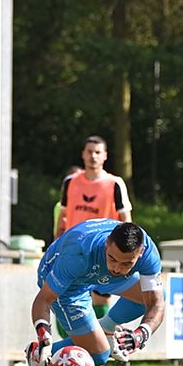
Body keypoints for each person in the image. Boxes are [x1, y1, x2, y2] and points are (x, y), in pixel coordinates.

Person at [24, 220, 164, 366]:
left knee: (153, 295)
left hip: (98, 273)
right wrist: (43, 336)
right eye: (112, 258)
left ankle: (106, 328)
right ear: (107, 243)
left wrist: (141, 335)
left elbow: (156, 303)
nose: (117, 268)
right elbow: (44, 299)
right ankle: (37, 354)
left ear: (141, 253)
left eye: (127, 263)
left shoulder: (148, 251)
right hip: (70, 282)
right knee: (100, 355)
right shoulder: (79, 252)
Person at [54, 136, 132, 334]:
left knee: (100, 299)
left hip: (102, 252)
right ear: (83, 154)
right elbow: (63, 217)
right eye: (89, 151)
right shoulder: (70, 182)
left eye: (97, 152)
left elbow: (126, 221)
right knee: (65, 297)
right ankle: (70, 346)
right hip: (74, 251)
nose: (93, 156)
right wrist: (56, 246)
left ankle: (100, 343)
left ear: (105, 156)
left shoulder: (115, 184)